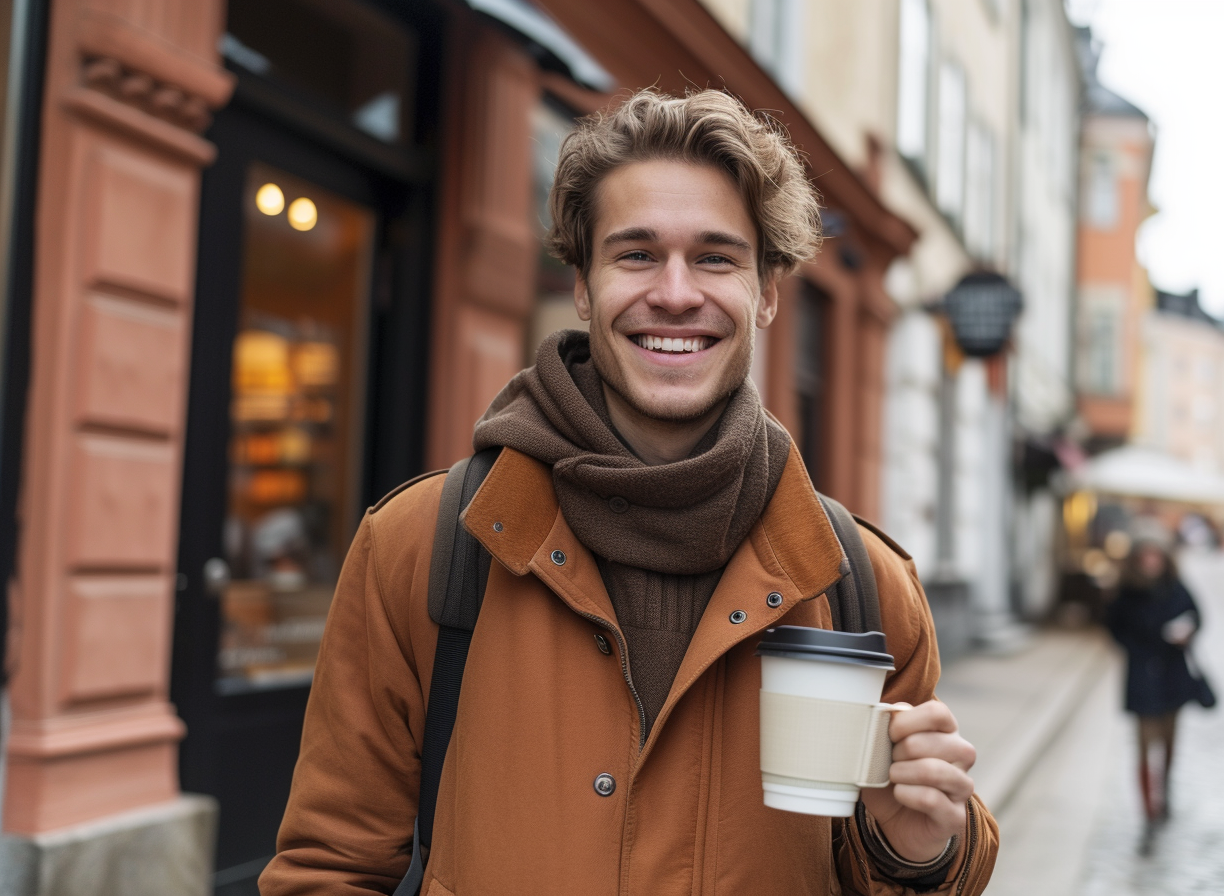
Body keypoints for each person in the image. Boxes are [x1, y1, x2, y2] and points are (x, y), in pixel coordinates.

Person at [260, 89, 998, 895]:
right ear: (583, 285)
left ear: (767, 292)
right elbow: (326, 869)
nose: (676, 294)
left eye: (716, 257)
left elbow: (915, 861)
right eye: (636, 254)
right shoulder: (423, 545)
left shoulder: (859, 581)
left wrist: (920, 852)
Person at [1104, 538, 1205, 845]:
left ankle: (1166, 788)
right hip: (1143, 679)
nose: (1151, 562)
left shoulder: (1174, 586)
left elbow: (1197, 615)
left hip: (1173, 677)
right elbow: (1113, 627)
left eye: (1155, 555)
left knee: (1170, 742)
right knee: (1145, 748)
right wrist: (1138, 650)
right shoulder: (1126, 593)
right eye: (1145, 556)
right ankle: (1148, 812)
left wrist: (1186, 633)